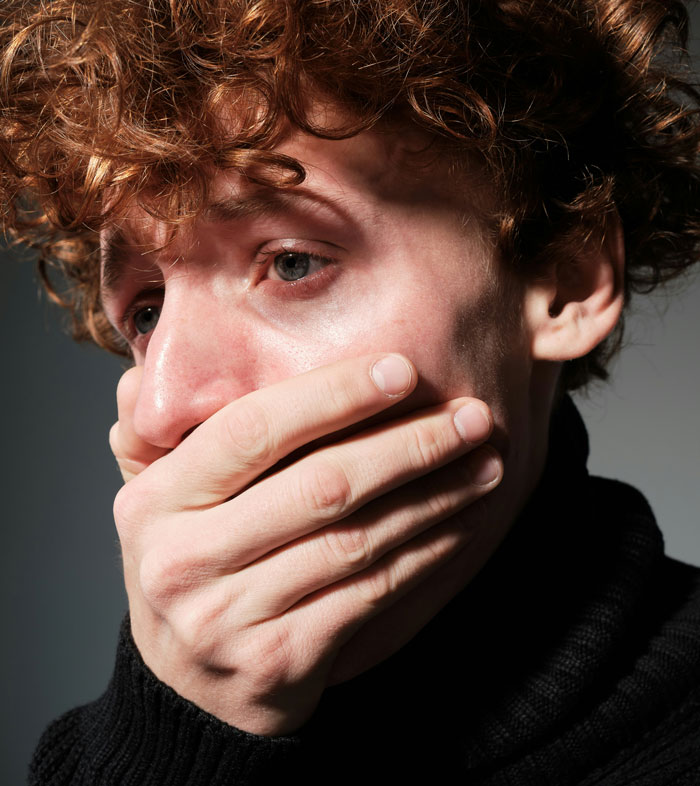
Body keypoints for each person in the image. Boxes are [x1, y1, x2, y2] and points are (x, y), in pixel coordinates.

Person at [2, 0, 700, 783]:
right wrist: (174, 737)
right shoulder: (96, 759)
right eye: (147, 310)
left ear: (566, 282)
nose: (165, 408)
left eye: (293, 262)